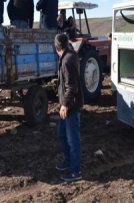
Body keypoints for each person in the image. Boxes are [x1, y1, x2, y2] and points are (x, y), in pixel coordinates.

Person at [54, 33, 84, 182]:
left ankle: (76, 171)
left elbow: (71, 87)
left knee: (73, 139)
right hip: (68, 105)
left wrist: (65, 105)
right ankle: (68, 161)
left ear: (56, 47)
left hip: (71, 106)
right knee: (61, 134)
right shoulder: (69, 54)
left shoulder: (66, 60)